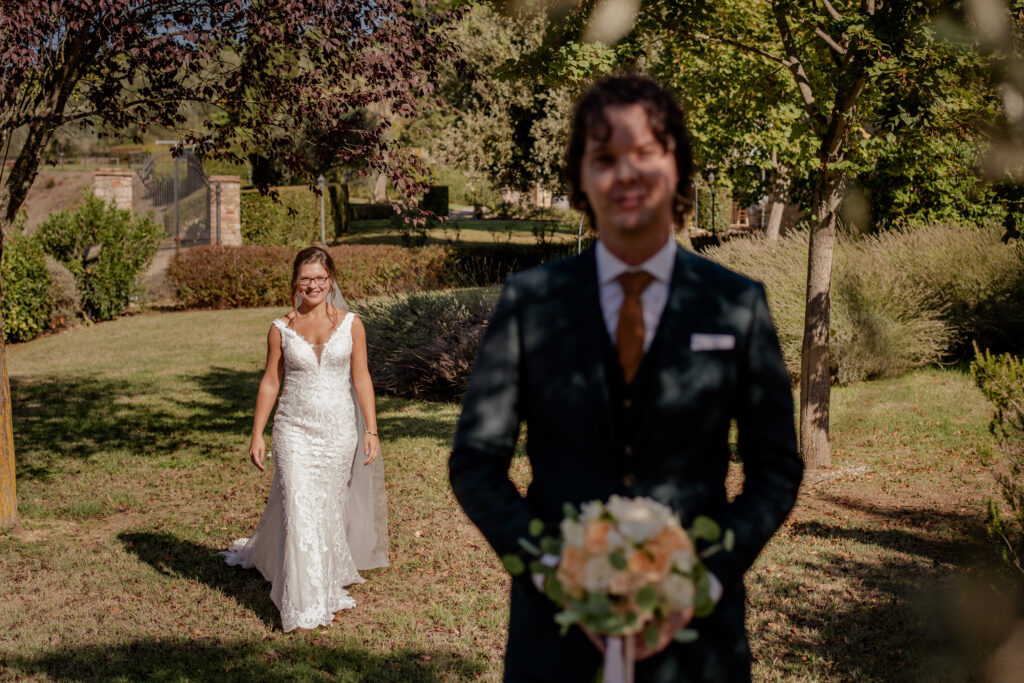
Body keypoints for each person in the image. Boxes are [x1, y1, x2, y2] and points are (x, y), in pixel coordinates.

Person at [449, 74, 803, 681]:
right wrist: (555, 570)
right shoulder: (531, 302)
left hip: (699, 644)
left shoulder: (735, 304)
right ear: (581, 177)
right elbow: (475, 464)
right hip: (557, 640)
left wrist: (702, 576)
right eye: (605, 157)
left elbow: (776, 469)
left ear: (677, 167)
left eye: (645, 152)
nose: (627, 173)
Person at [225, 245, 389, 632]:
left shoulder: (352, 324)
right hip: (292, 429)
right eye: (305, 278)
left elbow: (361, 377)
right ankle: (301, 603)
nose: (313, 285)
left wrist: (371, 428)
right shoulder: (280, 328)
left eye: (320, 278)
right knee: (299, 507)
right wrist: (257, 432)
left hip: (338, 430)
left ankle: (324, 579)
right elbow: (270, 381)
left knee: (328, 506)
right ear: (295, 282)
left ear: (331, 279)